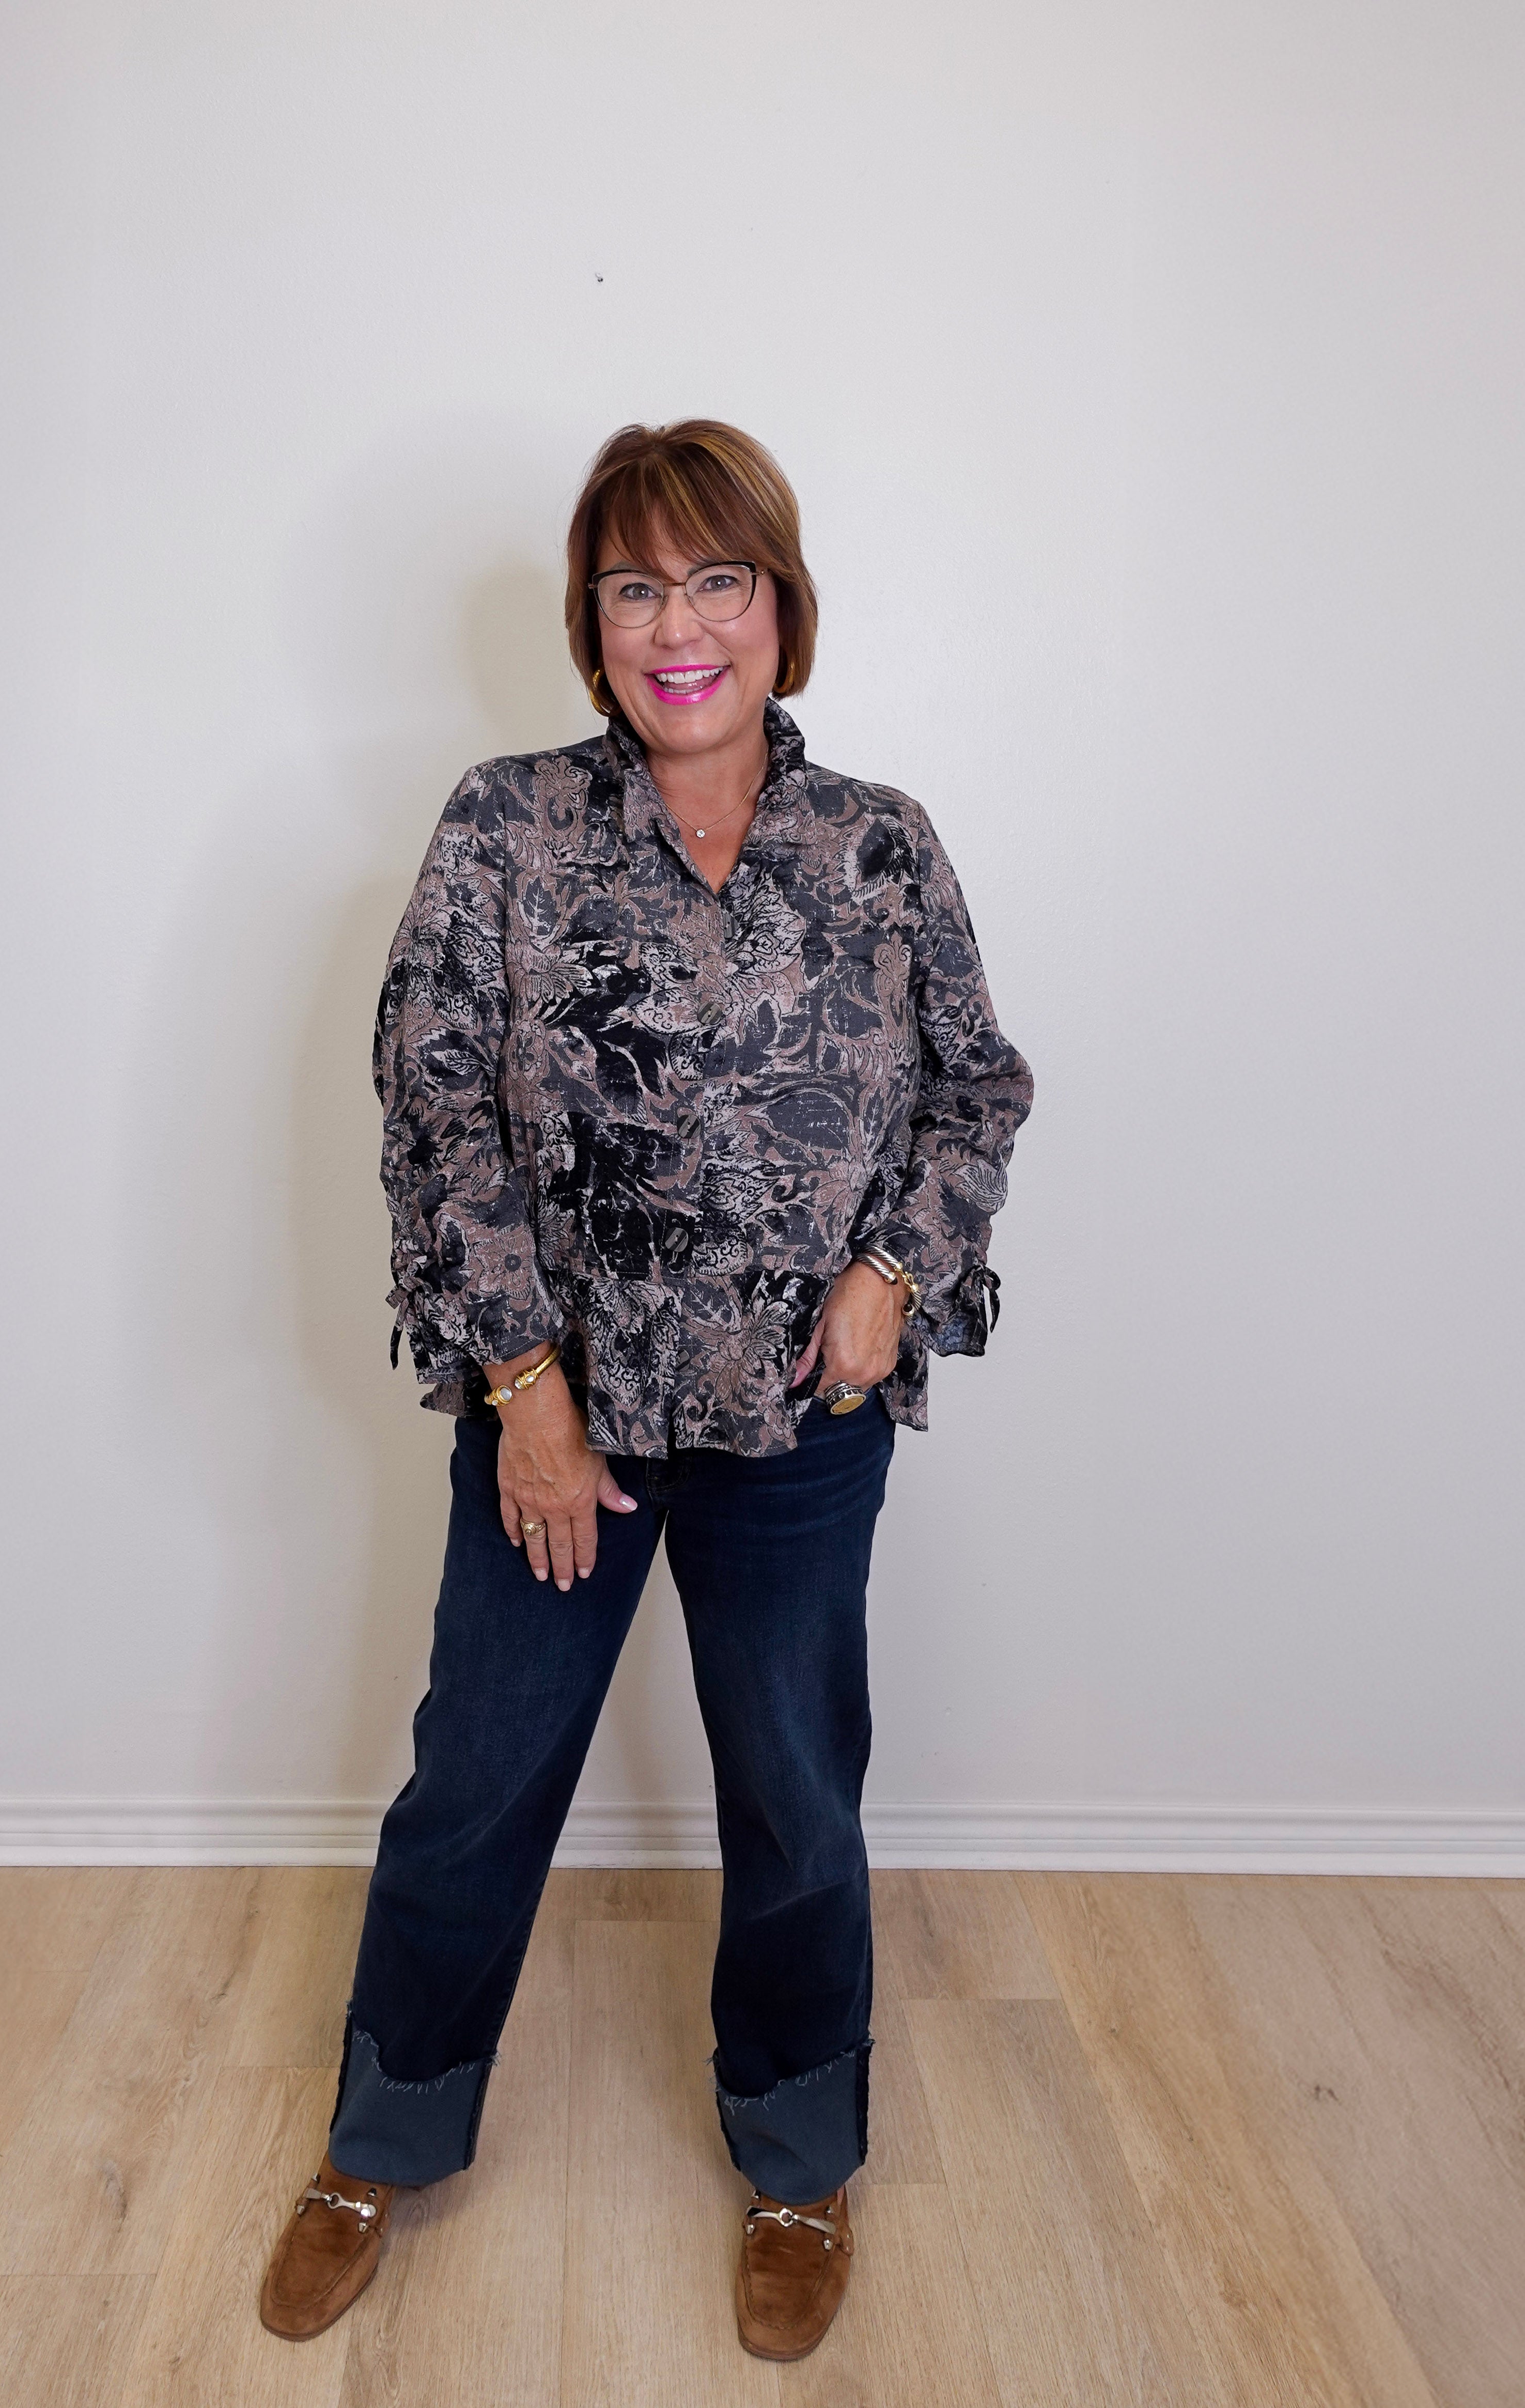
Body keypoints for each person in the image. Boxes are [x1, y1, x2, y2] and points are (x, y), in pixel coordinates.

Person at [259, 419, 1032, 2362]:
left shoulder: (879, 845)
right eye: (632, 587)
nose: (675, 625)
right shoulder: (503, 825)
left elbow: (975, 1089)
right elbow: (433, 1112)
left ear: (778, 607)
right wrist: (523, 1386)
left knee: (792, 1794)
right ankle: (383, 2140)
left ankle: (795, 2159)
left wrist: (885, 1279)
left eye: (714, 581)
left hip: (799, 1429)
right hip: (561, 1427)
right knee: (478, 1785)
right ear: (591, 623)